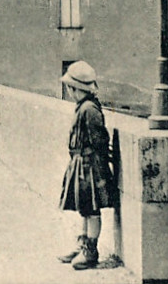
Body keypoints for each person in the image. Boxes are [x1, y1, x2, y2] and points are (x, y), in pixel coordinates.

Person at [58, 61, 116, 270]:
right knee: (84, 208)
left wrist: (98, 169)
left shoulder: (89, 110)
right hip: (81, 164)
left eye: (70, 88)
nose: (70, 92)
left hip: (90, 166)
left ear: (77, 89)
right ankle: (83, 245)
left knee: (91, 210)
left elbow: (100, 140)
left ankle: (91, 252)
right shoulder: (83, 107)